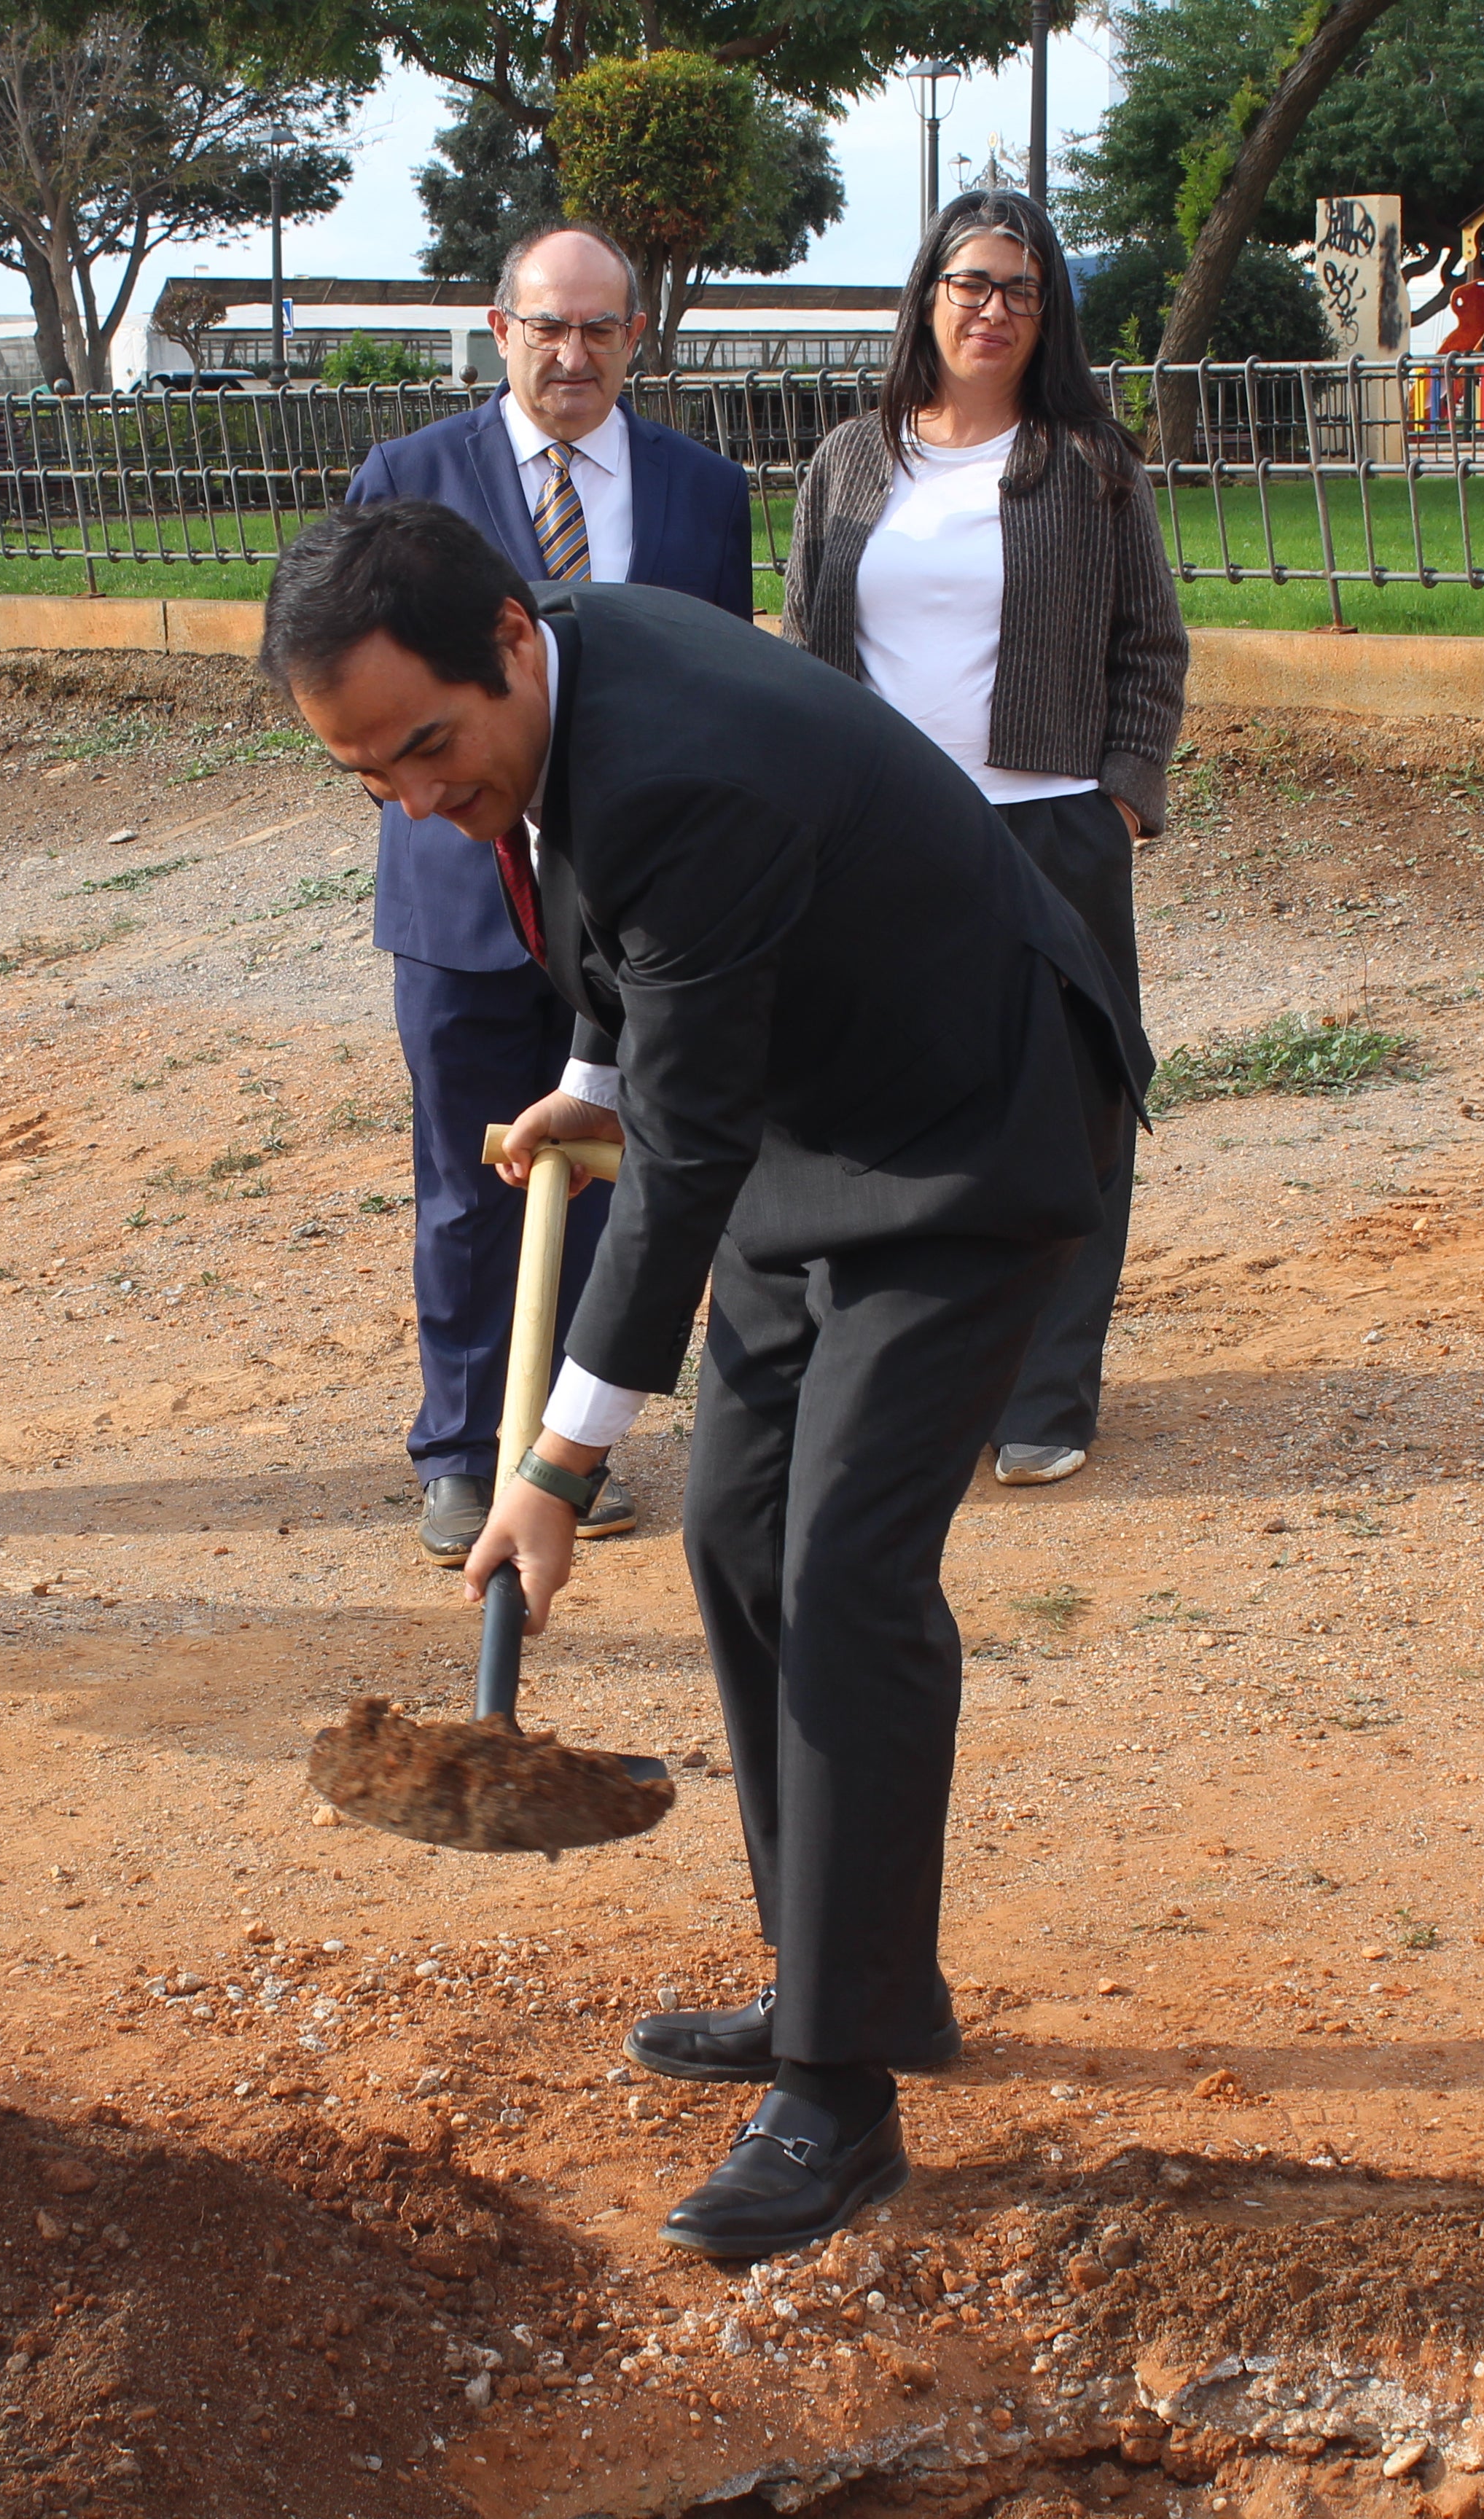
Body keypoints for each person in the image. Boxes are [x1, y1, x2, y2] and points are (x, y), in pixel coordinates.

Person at [260, 502, 1145, 2260]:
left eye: (428, 748)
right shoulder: (558, 677)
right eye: (368, 778)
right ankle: (843, 1968)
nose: (417, 799)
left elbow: (679, 1163)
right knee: (742, 1532)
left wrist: (561, 1467)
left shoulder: (688, 765)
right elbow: (628, 942)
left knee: (844, 1576)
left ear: (512, 642)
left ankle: (838, 2092)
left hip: (968, 1138)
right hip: (811, 1125)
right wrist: (600, 1063)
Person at [340, 222, 757, 1569]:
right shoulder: (409, 479)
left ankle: (566, 1447)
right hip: (463, 907)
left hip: (632, 906)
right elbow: (350, 674)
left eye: (599, 330)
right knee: (474, 1182)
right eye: (545, 327)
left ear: (637, 337)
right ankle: (464, 1453)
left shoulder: (702, 490)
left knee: (609, 1169)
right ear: (499, 326)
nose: (570, 355)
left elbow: (722, 688)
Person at [781, 189, 1186, 1491]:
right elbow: (802, 643)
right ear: (926, 298)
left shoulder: (1089, 464)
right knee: (884, 1097)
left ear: (1046, 311)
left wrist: (1116, 797)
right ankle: (899, 1368)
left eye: (1021, 288)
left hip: (1050, 831)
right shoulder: (852, 459)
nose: (993, 308)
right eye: (971, 283)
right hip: (882, 836)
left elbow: (1150, 647)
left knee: (1070, 1108)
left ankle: (1048, 1389)